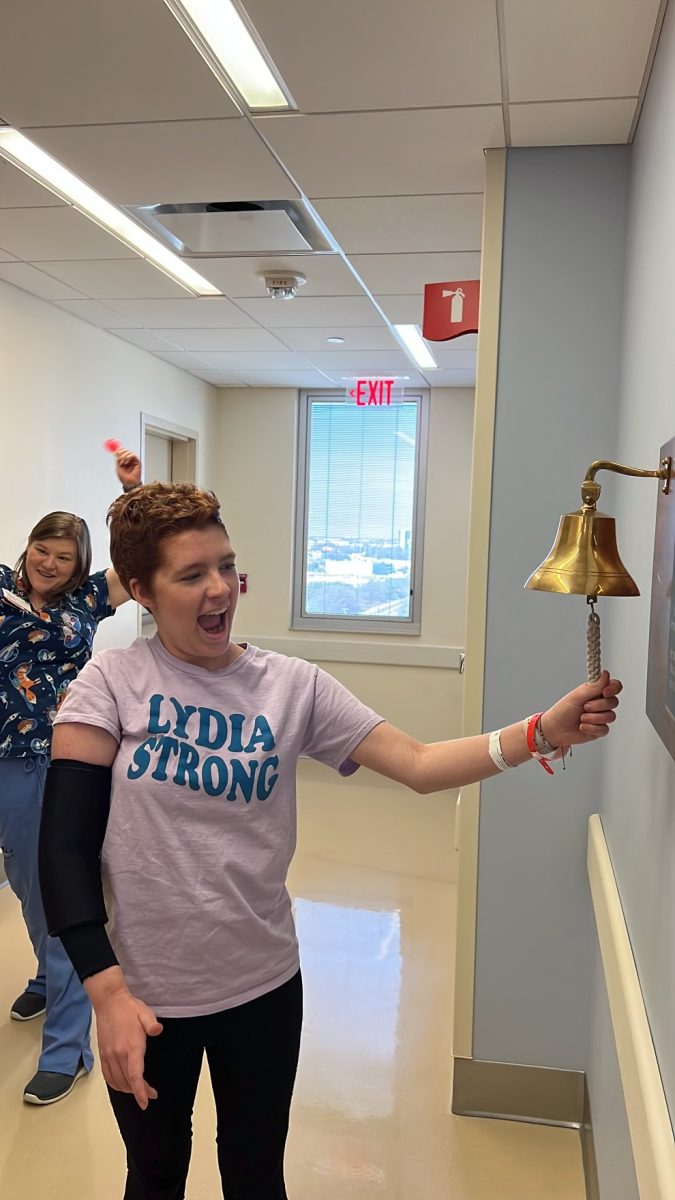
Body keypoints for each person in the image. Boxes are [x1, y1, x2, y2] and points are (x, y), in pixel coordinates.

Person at [39, 482, 622, 1199]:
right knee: (154, 1174)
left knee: (255, 1175)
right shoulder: (111, 682)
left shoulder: (292, 687)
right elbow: (62, 851)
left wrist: (540, 733)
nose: (219, 588)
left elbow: (416, 764)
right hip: (144, 996)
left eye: (225, 565)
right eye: (191, 575)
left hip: (260, 984)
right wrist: (106, 994)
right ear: (141, 591)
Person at [0, 447, 141, 1106]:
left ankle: (67, 1047)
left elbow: (145, 555)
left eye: (63, 554)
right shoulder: (0, 590)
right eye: (41, 549)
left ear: (78, 565)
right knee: (27, 888)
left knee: (57, 898)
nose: (48, 562)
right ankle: (43, 977)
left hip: (49, 764)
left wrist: (132, 493)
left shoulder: (89, 598)